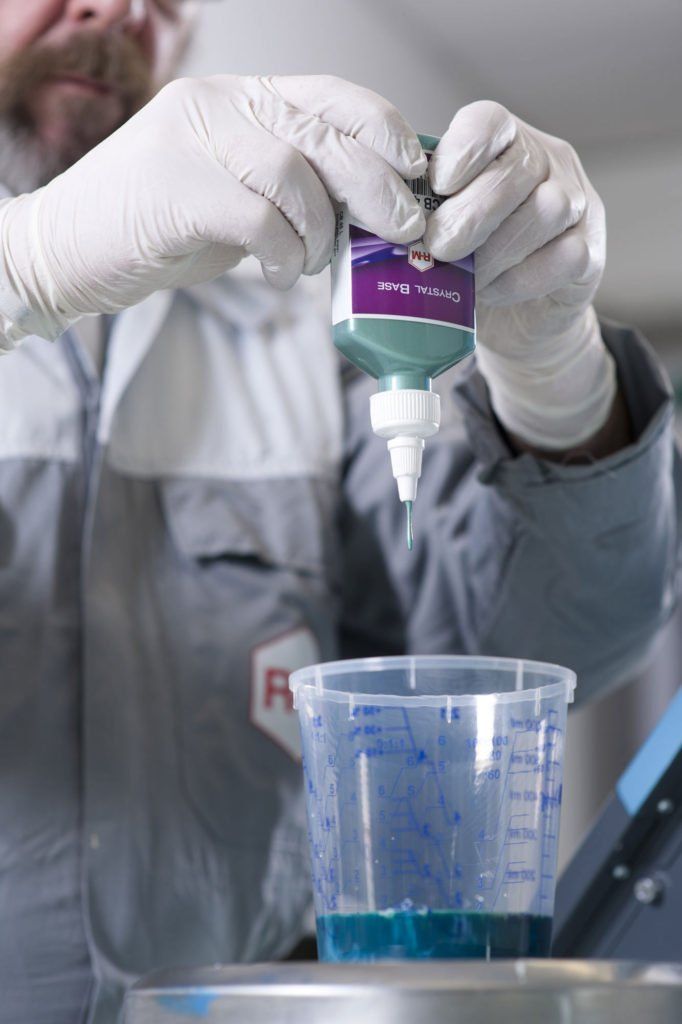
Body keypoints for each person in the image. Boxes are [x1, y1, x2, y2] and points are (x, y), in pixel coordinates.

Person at [0, 1, 678, 1021]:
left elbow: (530, 648)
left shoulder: (303, 333)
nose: (118, 13)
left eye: (166, 0)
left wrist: (558, 389)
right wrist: (24, 265)